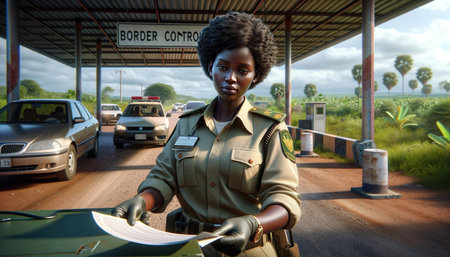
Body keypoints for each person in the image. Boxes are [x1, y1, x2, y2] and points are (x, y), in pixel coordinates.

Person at [113, 11, 301, 257]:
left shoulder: (270, 130)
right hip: (189, 247)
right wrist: (142, 200)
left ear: (256, 75)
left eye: (243, 70)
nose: (230, 78)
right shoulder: (186, 125)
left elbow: (284, 198)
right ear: (210, 66)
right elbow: (165, 177)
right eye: (223, 67)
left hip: (249, 249)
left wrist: (254, 223)